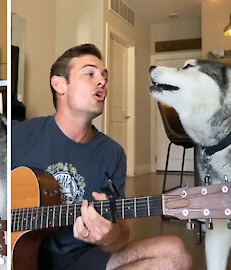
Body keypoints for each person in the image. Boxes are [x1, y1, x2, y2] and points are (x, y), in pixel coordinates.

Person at [11, 43, 192, 270]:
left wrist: (109, 236)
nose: (102, 81)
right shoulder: (18, 135)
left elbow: (120, 233)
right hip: (22, 261)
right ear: (59, 84)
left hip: (83, 259)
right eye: (90, 73)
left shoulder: (112, 153)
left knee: (176, 253)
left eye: (104, 76)